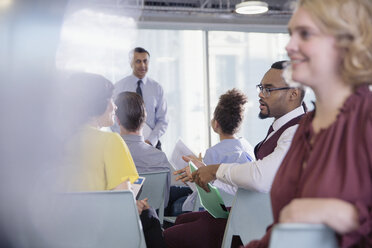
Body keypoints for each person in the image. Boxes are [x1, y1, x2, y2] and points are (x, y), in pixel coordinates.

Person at [246, 0, 372, 247]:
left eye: (305, 34)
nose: (290, 45)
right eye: (291, 34)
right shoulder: (305, 127)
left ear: (344, 43)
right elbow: (286, 229)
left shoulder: (366, 120)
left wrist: (350, 217)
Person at [164, 61, 306, 248]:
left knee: (170, 236)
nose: (261, 95)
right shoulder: (280, 128)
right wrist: (207, 172)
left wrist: (215, 171)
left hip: (265, 224)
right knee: (183, 219)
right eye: (261, 88)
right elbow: (251, 186)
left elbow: (259, 179)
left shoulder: (297, 132)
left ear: (293, 94)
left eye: (269, 90)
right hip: (253, 212)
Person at [61, 73, 166, 248]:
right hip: (102, 234)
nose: (115, 106)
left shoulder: (60, 143)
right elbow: (122, 208)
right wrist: (134, 206)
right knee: (150, 216)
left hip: (66, 233)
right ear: (98, 104)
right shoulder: (111, 141)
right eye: (110, 99)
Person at [114, 91, 171, 206]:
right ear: (144, 119)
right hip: (153, 218)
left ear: (117, 120)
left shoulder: (111, 154)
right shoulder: (160, 157)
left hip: (121, 218)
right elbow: (164, 202)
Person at [114, 47, 168, 150]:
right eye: (138, 61)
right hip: (126, 145)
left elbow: (163, 120)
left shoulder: (157, 88)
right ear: (131, 63)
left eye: (145, 61)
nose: (142, 65)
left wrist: (150, 141)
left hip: (152, 145)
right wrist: (126, 139)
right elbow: (113, 117)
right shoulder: (119, 87)